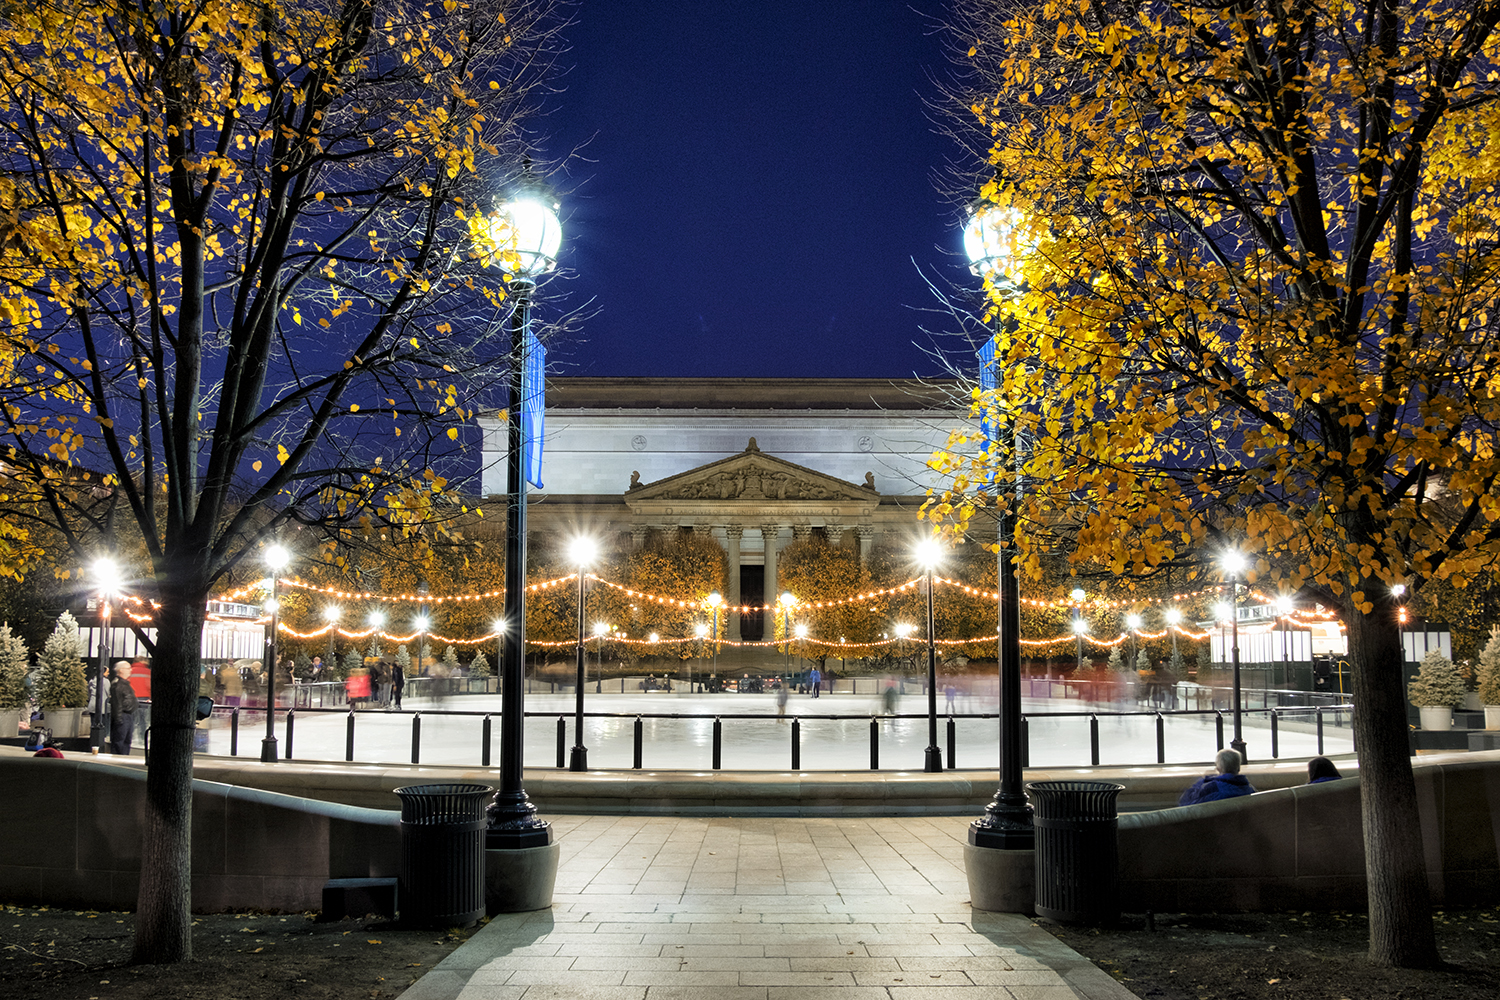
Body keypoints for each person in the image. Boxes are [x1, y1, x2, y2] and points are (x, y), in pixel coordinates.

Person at [1178, 748, 1255, 806]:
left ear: (1218, 769)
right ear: (1238, 768)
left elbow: (1185, 803)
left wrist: (1203, 781)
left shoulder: (1212, 788)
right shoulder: (1249, 788)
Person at [110, 661, 139, 755]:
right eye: (128, 668)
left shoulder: (125, 684)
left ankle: (124, 758)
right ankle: (118, 760)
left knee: (126, 741)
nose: (130, 670)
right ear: (121, 670)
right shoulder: (118, 685)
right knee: (120, 741)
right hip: (122, 716)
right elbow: (117, 703)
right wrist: (118, 719)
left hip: (128, 715)